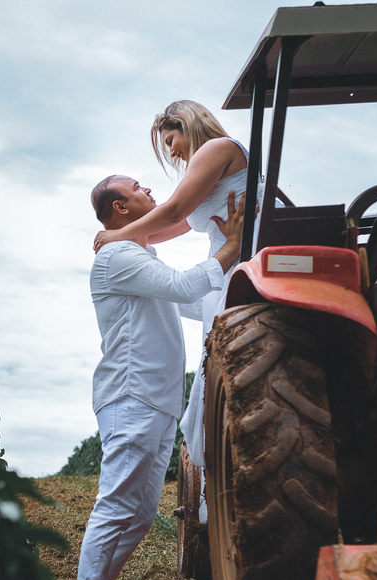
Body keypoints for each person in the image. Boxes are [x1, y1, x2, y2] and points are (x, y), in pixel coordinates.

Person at [66, 175, 244, 580]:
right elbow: (185, 287)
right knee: (116, 505)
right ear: (120, 208)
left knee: (142, 514)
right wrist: (230, 246)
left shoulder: (142, 258)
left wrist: (229, 267)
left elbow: (194, 300)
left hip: (156, 400)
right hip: (132, 396)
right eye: (137, 186)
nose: (148, 188)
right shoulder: (118, 256)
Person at [92, 101, 257, 483]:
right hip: (227, 254)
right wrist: (127, 243)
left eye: (170, 140)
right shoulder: (207, 166)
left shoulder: (217, 148)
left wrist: (117, 235)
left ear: (190, 126)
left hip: (243, 251)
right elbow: (170, 226)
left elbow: (174, 211)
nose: (171, 152)